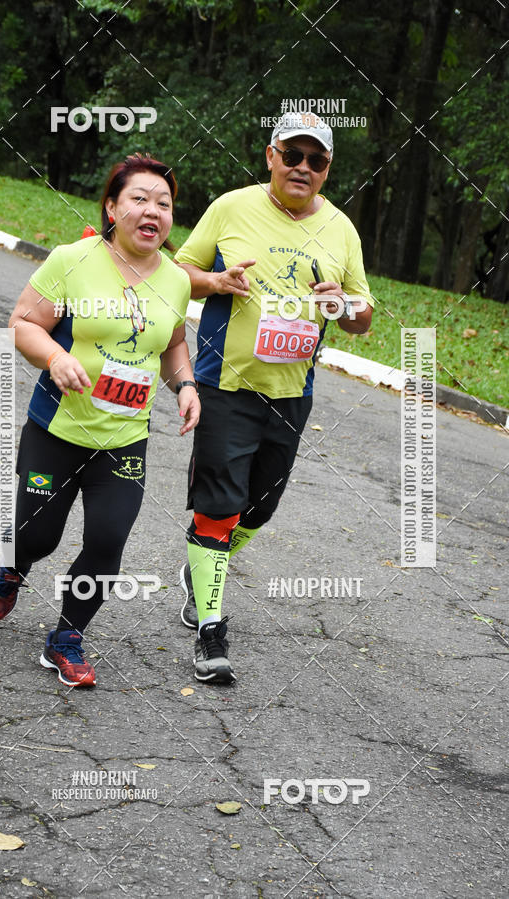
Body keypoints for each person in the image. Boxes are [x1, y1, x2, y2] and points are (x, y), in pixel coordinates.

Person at [0, 153, 200, 688]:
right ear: (111, 206)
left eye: (164, 204)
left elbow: (172, 345)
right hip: (55, 432)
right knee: (37, 535)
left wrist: (187, 386)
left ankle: (66, 639)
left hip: (124, 440)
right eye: (139, 199)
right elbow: (22, 325)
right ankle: (14, 564)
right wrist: (56, 358)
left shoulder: (175, 280)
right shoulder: (72, 260)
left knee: (107, 541)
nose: (153, 211)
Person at [175, 112, 373, 684]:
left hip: (291, 393)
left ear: (327, 169)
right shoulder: (232, 207)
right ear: (271, 156)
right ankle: (211, 628)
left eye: (316, 160)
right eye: (294, 155)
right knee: (217, 505)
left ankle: (200, 570)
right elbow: (178, 270)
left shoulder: (341, 229)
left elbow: (362, 317)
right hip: (223, 384)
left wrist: (342, 305)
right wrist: (215, 281)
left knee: (258, 509)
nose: (303, 168)